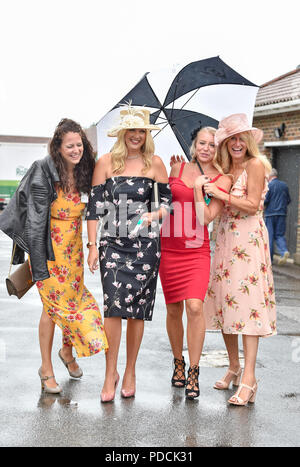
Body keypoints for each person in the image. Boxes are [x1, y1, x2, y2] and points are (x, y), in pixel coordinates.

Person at [0, 119, 108, 393]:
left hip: (72, 253)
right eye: (69, 145)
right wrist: (37, 264)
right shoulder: (43, 170)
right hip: (47, 252)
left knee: (71, 305)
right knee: (52, 309)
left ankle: (66, 352)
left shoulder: (85, 170)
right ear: (58, 148)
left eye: (79, 144)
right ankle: (46, 369)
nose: (75, 149)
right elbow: (35, 222)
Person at [86, 105, 172, 402]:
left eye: (141, 131)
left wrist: (153, 215)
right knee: (113, 308)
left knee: (136, 311)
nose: (136, 135)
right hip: (112, 244)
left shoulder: (156, 164)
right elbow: (95, 209)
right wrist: (92, 246)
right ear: (122, 133)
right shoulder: (106, 163)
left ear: (146, 135)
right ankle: (110, 373)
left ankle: (130, 370)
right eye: (132, 130)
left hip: (145, 247)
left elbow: (167, 206)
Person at [204, 113, 276, 406]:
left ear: (248, 140)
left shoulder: (255, 165)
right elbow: (214, 207)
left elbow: (251, 205)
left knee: (247, 309)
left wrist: (222, 194)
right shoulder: (222, 169)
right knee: (225, 305)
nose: (236, 143)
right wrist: (208, 192)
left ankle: (249, 378)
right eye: (231, 138)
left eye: (240, 137)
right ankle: (233, 366)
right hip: (222, 240)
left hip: (247, 241)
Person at [159, 126, 232, 399]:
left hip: (196, 251)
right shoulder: (177, 168)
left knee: (194, 306)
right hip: (169, 246)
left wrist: (201, 190)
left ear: (218, 148)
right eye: (202, 143)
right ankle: (178, 362)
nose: (206, 148)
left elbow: (206, 219)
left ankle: (194, 369)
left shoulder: (221, 180)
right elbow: (164, 202)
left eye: (212, 145)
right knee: (174, 309)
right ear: (194, 145)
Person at [264, 168, 291, 264]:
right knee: (279, 235)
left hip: (270, 214)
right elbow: (288, 200)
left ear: (270, 176)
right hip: (282, 214)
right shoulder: (284, 185)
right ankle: (284, 251)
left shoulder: (269, 186)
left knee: (269, 237)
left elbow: (265, 200)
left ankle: (269, 260)